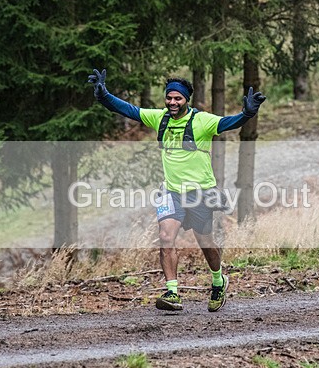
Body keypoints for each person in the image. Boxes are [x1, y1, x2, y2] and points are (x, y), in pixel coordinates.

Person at [87, 69, 266, 313]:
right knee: (166, 236)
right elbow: (129, 110)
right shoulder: (159, 118)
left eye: (177, 99)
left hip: (200, 193)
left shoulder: (201, 121)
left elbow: (226, 123)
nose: (172, 103)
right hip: (171, 192)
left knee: (205, 242)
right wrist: (105, 95)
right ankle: (172, 292)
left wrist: (247, 113)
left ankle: (218, 280)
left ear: (186, 100)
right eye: (169, 98)